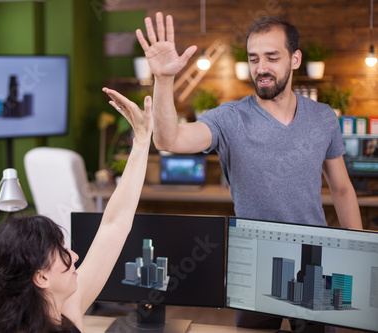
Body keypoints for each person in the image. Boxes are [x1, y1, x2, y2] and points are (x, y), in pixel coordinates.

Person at [136, 12, 362, 329]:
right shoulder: (229, 117)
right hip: (255, 263)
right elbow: (168, 139)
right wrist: (162, 79)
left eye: (272, 57)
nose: (262, 68)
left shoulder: (323, 117)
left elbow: (341, 189)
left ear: (295, 59)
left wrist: (359, 252)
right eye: (254, 59)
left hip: (314, 260)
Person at [0, 88, 153, 333]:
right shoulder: (67, 308)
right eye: (62, 253)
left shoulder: (63, 308)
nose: (75, 256)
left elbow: (115, 225)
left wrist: (141, 141)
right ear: (42, 278)